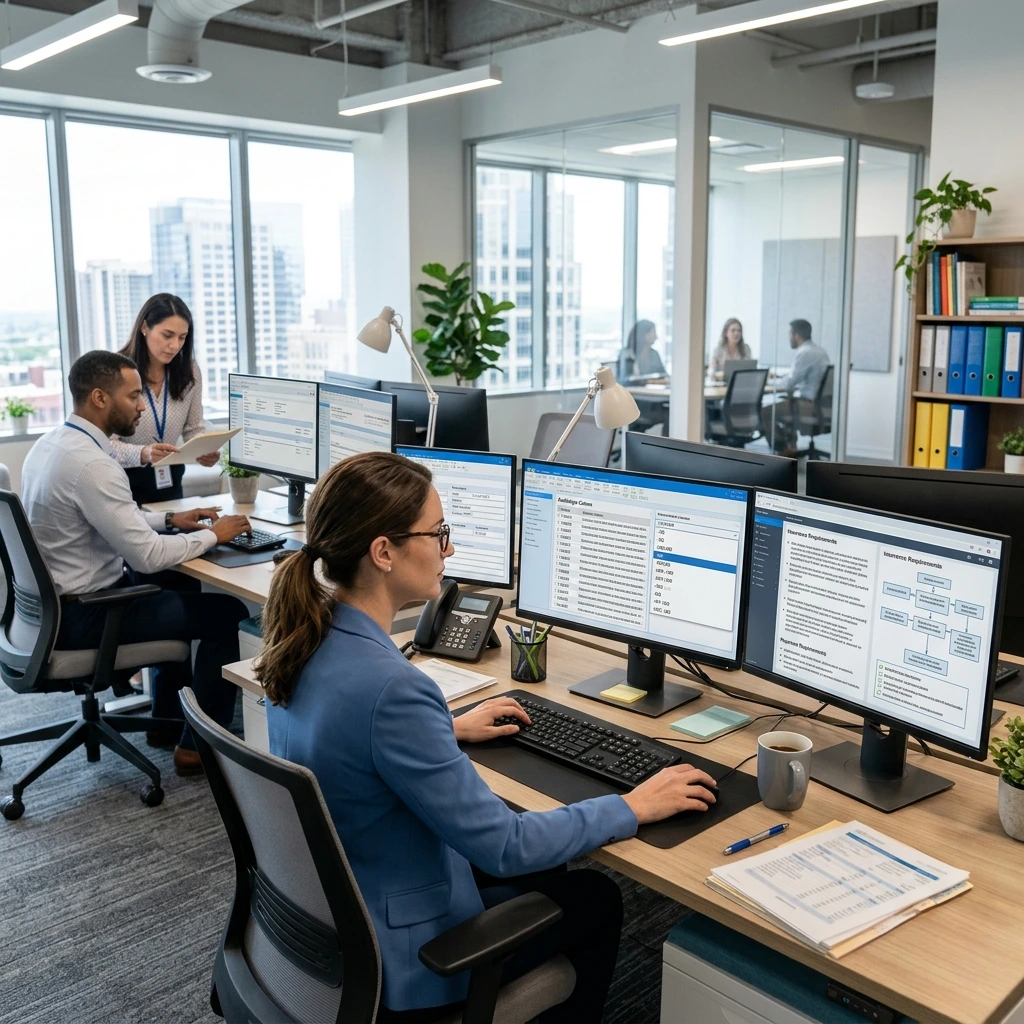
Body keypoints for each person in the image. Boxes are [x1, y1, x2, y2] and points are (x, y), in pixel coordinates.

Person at [256, 452, 717, 1021]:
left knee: (547, 868)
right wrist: (633, 804)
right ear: (383, 552)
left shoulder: (303, 638)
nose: (449, 549)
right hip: (406, 961)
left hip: (336, 920)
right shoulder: (393, 690)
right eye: (438, 533)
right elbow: (505, 845)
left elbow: (343, 736)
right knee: (595, 896)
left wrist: (442, 730)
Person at [20, 350, 253, 776]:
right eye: (133, 397)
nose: (142, 405)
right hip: (90, 614)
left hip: (47, 611)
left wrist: (170, 519)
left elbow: (106, 518)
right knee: (231, 615)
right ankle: (197, 746)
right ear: (99, 398)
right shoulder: (94, 465)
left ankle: (167, 724)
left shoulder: (52, 445)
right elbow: (147, 554)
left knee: (178, 593)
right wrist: (212, 535)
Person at [111, 293, 219, 504]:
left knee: (177, 533)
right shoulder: (117, 371)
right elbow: (105, 444)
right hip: (124, 481)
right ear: (144, 327)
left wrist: (203, 451)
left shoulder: (189, 370)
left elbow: (193, 428)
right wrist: (144, 453)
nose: (175, 345)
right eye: (167, 335)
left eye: (182, 337)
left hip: (171, 478)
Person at [770, 319, 830, 454]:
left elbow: (790, 382)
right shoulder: (819, 351)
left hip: (809, 405)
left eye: (789, 334)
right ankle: (791, 449)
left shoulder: (804, 352)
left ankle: (783, 450)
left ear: (796, 335)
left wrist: (768, 382)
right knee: (784, 406)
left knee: (767, 412)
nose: (788, 338)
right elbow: (799, 376)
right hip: (821, 406)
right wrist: (779, 377)